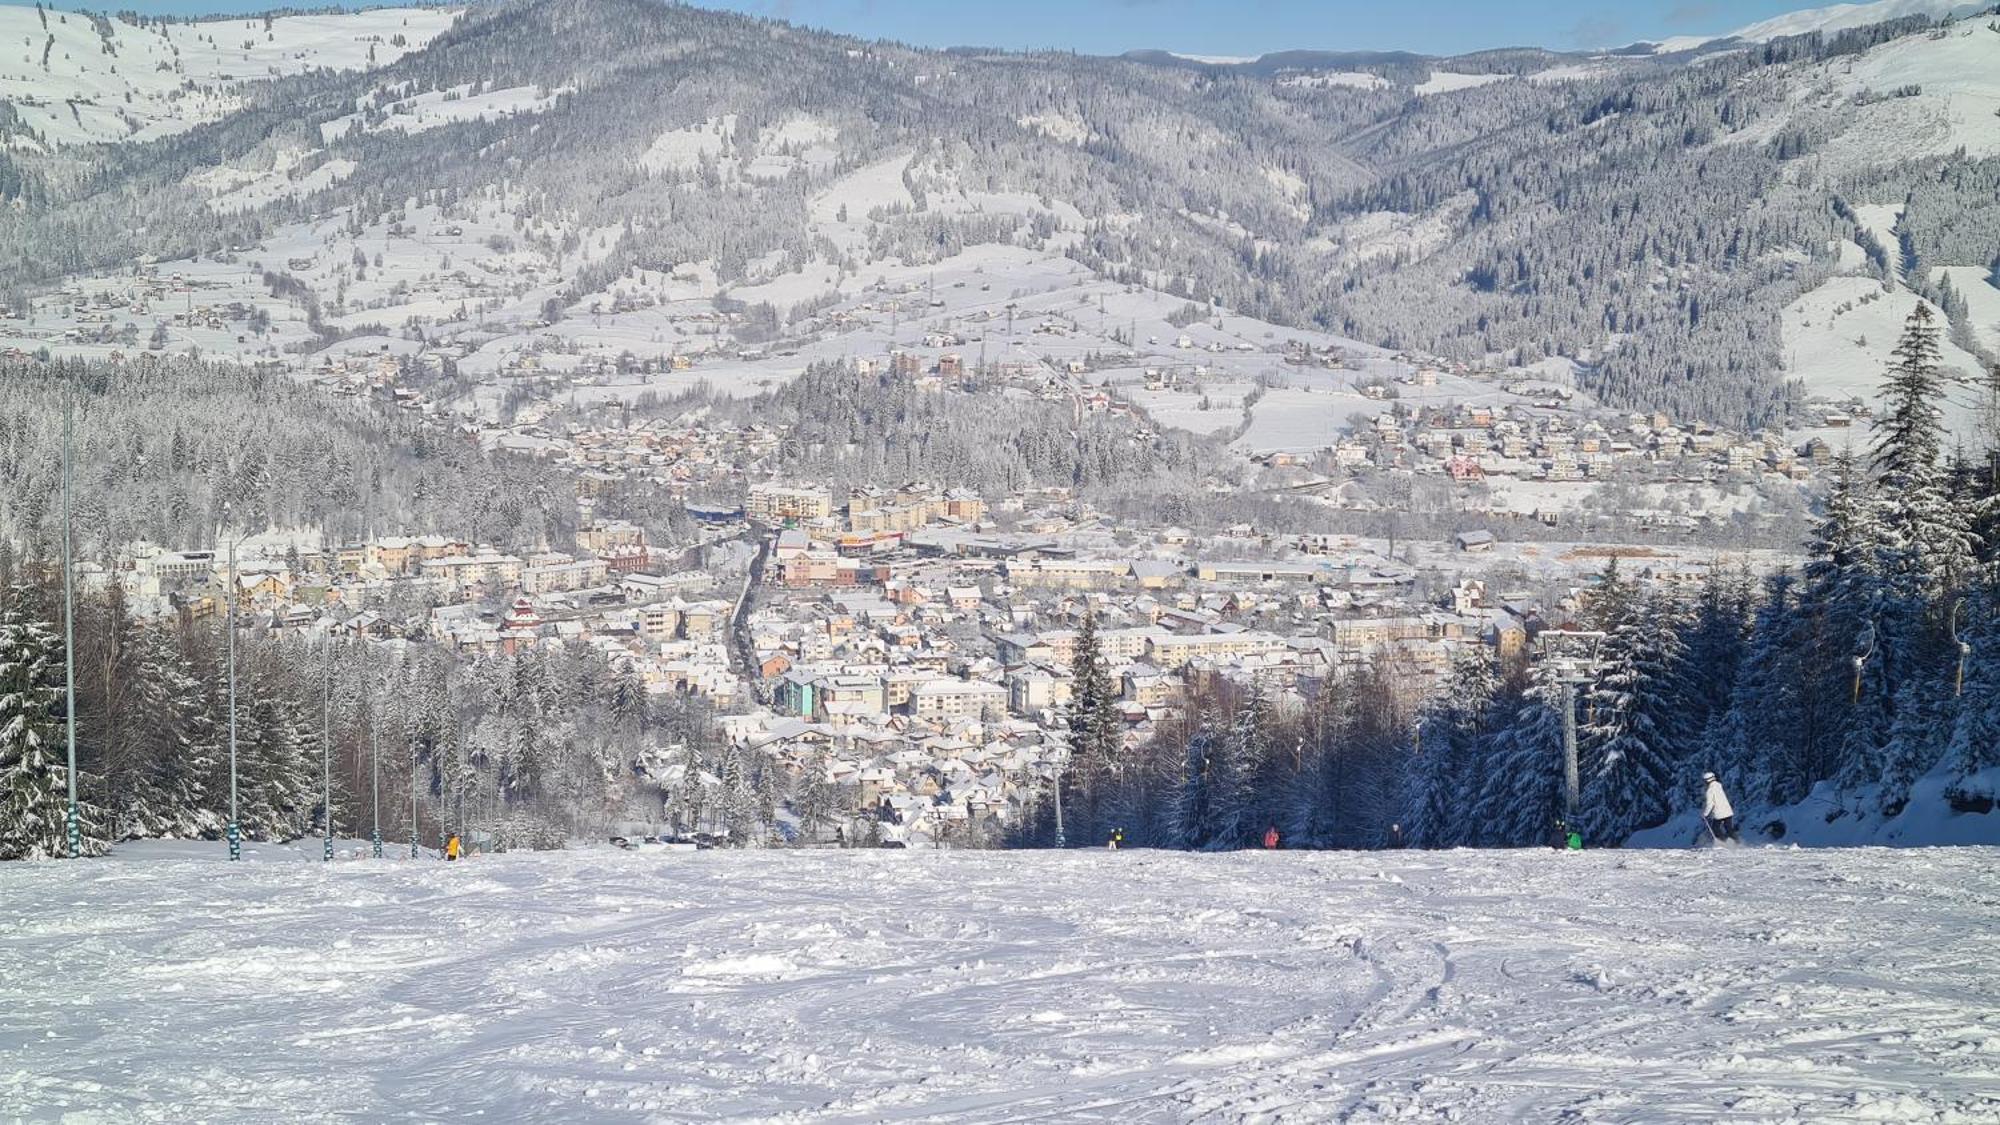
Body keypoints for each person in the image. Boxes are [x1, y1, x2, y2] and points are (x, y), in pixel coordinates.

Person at [1702, 772, 1738, 842]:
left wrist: (1705, 814)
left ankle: (1724, 842)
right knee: (1729, 828)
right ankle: (1737, 842)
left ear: (1707, 781)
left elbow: (1710, 804)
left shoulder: (1709, 791)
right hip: (1728, 811)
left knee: (1715, 828)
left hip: (1719, 813)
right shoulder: (1719, 786)